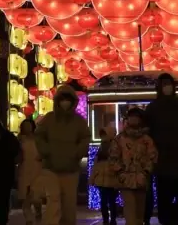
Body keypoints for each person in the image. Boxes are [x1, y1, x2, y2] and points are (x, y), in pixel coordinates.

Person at [35, 85, 91, 225]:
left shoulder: (79, 121)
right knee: (53, 203)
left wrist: (76, 153)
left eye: (68, 99)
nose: (65, 102)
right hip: (51, 168)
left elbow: (85, 139)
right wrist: (46, 151)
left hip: (71, 169)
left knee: (69, 205)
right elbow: (39, 136)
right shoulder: (49, 119)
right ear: (57, 101)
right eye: (62, 99)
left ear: (73, 101)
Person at [144, 73, 178, 225]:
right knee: (164, 194)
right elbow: (148, 129)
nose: (167, 87)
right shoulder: (152, 108)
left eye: (169, 83)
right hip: (163, 158)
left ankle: (174, 215)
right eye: (164, 84)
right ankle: (166, 219)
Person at [109, 108, 158, 225]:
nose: (134, 119)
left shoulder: (147, 140)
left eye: (136, 117)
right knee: (130, 213)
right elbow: (113, 157)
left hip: (141, 180)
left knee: (139, 215)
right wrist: (120, 173)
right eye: (131, 117)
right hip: (125, 180)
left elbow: (152, 157)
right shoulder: (119, 139)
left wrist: (145, 172)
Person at [89, 127, 118, 225]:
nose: (103, 137)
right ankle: (107, 219)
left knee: (110, 201)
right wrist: (92, 178)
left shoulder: (114, 148)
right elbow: (95, 165)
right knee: (106, 201)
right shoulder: (101, 148)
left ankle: (112, 219)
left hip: (110, 180)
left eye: (104, 135)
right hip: (102, 180)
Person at [17, 119, 42, 225]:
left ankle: (38, 213)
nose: (27, 128)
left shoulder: (38, 139)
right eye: (25, 126)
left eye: (29, 126)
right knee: (25, 197)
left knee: (36, 197)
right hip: (24, 168)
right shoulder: (20, 140)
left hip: (37, 168)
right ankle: (29, 219)